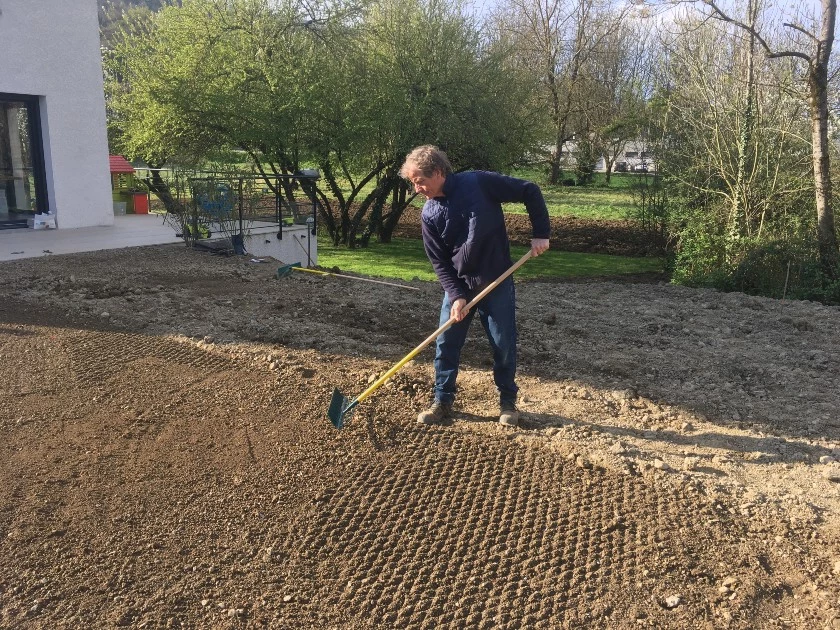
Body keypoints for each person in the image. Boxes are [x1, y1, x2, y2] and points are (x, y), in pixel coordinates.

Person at [399, 145, 551, 428]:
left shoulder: (479, 183)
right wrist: (456, 296)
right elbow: (440, 263)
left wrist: (541, 233)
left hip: (497, 280)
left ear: (439, 172)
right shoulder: (429, 214)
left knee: (503, 344)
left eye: (419, 180)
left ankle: (508, 402)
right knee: (446, 344)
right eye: (412, 182)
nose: (416, 188)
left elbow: (530, 190)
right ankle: (442, 401)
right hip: (459, 285)